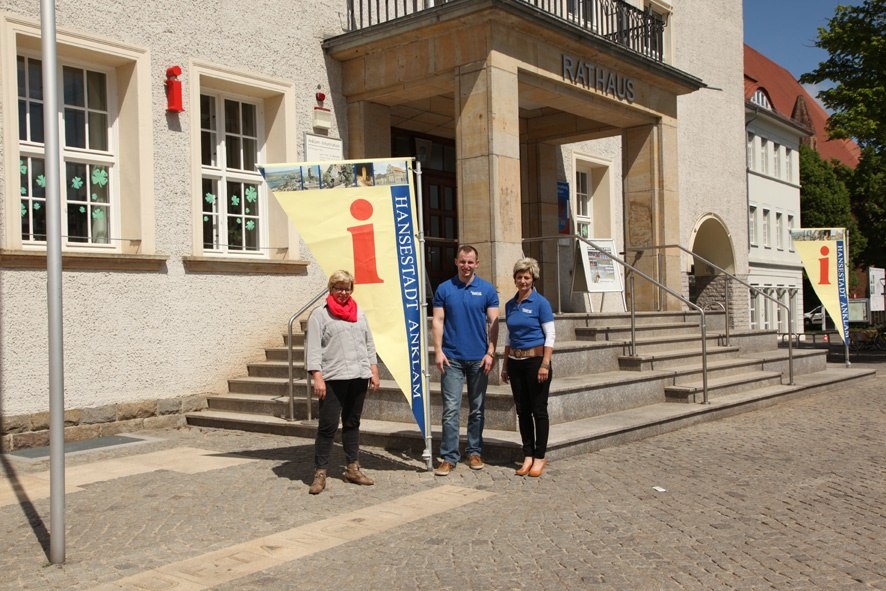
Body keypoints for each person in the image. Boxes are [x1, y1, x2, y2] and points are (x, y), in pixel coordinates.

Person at [305, 270, 381, 494]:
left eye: (347, 288)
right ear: (331, 289)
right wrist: (317, 376)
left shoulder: (359, 312)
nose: (343, 292)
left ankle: (352, 468)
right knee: (327, 426)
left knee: (352, 423)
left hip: (358, 375)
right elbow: (313, 348)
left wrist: (373, 370)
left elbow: (368, 342)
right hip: (333, 378)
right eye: (338, 288)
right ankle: (320, 472)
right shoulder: (320, 315)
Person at [432, 245, 499, 476]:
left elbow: (494, 323)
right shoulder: (444, 288)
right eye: (463, 261)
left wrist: (491, 352)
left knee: (477, 409)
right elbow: (438, 320)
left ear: (477, 264)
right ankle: (449, 457)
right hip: (452, 359)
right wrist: (438, 351)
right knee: (450, 410)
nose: (466, 266)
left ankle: (474, 451)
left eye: (470, 262)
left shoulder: (488, 290)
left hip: (479, 359)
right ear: (456, 262)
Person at [500, 257, 555, 477]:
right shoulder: (510, 305)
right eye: (519, 277)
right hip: (515, 362)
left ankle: (540, 456)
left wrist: (545, 364)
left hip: (536, 362)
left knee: (538, 410)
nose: (523, 281)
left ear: (533, 279)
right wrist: (504, 365)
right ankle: (528, 455)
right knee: (522, 411)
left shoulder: (541, 303)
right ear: (515, 279)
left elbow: (550, 334)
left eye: (527, 277)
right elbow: (508, 336)